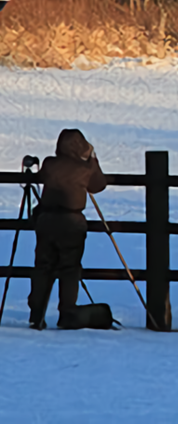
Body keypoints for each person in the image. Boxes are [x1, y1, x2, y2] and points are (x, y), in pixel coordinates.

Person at [28, 128, 108, 330]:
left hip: (46, 221)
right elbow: (98, 185)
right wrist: (92, 159)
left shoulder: (49, 164)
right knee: (70, 269)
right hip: (71, 222)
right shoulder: (84, 169)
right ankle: (67, 312)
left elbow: (41, 178)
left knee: (43, 267)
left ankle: (37, 313)